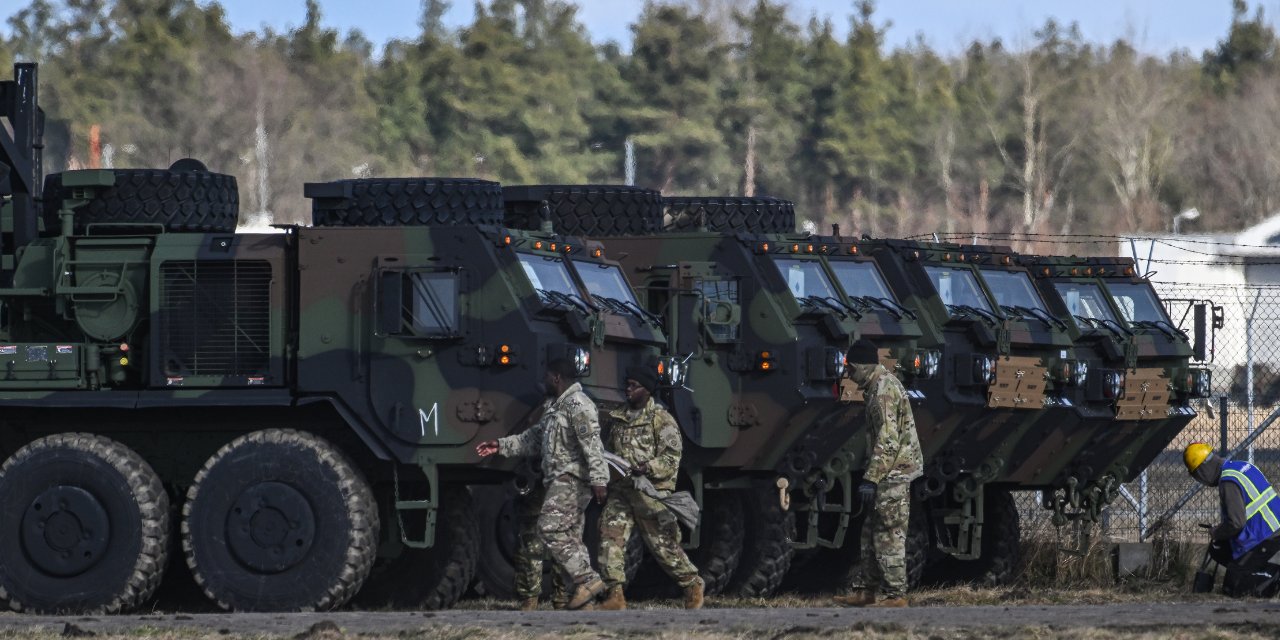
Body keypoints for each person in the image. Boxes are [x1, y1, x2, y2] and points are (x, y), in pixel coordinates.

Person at [477, 358, 610, 610]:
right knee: (570, 537)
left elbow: (593, 446)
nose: (543, 381)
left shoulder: (578, 405)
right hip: (556, 478)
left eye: (547, 376)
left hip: (570, 478)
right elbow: (533, 438)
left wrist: (600, 479)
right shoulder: (554, 407)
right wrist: (500, 445)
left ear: (557, 377)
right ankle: (586, 602)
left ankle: (588, 580)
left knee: (548, 529)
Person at [596, 364, 704, 610]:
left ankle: (691, 583)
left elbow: (671, 459)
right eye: (628, 384)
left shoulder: (661, 420)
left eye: (634, 386)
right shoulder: (617, 417)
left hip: (650, 493)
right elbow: (609, 452)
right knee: (609, 537)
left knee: (662, 545)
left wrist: (647, 468)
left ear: (647, 390)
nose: (628, 389)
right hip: (622, 490)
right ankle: (615, 595)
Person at [833, 339, 923, 609]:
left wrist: (871, 478)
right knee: (870, 531)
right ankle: (867, 591)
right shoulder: (878, 386)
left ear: (862, 366)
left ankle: (896, 595)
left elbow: (889, 440)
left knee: (888, 533)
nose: (848, 373)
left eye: (850, 368)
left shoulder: (883, 390)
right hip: (888, 471)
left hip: (893, 474)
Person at [1184, 442, 1280, 572]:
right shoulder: (1243, 465)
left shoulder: (1228, 481)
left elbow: (1236, 524)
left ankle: (1257, 575)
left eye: (1197, 476)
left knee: (1219, 551)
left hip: (1262, 537)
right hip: (1274, 529)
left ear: (1202, 470)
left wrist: (1216, 533)